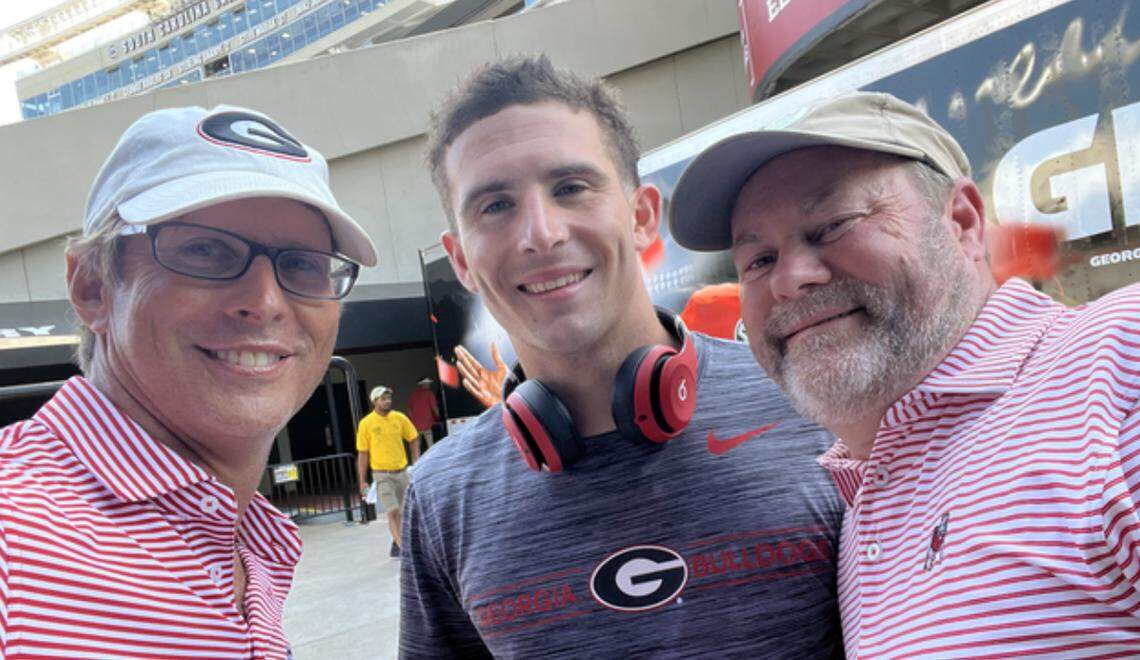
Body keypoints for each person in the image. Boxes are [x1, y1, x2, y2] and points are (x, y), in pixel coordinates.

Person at [399, 55, 844, 658]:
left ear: (641, 216)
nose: (541, 233)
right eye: (495, 206)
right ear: (460, 261)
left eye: (571, 188)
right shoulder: (441, 495)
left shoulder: (814, 401)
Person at [668, 90, 1140, 657]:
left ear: (962, 221)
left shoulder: (1117, 365)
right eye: (758, 261)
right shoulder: (865, 500)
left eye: (833, 223)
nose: (790, 279)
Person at [0, 105, 376, 658]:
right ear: (92, 289)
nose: (265, 302)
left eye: (302, 265)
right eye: (204, 250)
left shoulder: (251, 549)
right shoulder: (15, 542)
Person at [357, 385, 419, 557]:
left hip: (401, 472)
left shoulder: (399, 418)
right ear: (375, 401)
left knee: (406, 511)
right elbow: (363, 453)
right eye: (383, 399)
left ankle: (396, 541)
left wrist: (416, 460)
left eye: (389, 398)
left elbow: (413, 437)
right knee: (392, 511)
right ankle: (402, 547)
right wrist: (362, 480)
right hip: (382, 474)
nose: (388, 401)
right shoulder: (366, 424)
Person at [407, 376, 442, 450]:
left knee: (417, 446)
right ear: (424, 385)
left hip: (416, 425)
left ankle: (418, 460)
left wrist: (414, 420)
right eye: (427, 384)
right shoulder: (429, 394)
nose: (429, 385)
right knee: (430, 445)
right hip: (427, 424)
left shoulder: (413, 395)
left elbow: (409, 411)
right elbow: (434, 408)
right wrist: (439, 417)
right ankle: (431, 459)